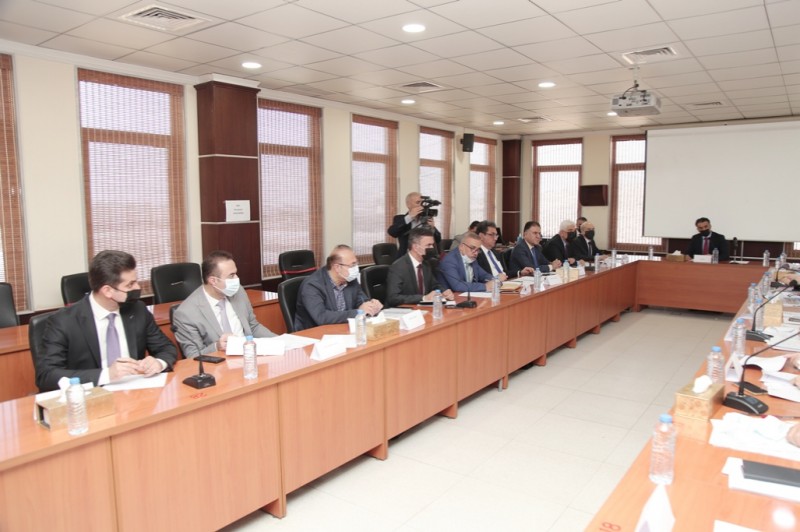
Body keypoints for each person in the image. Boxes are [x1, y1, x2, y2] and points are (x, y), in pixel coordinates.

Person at [36, 250, 177, 392]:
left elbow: (166, 348)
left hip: (135, 394)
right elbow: (47, 375)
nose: (137, 288)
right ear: (107, 291)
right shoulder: (64, 321)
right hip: (91, 396)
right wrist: (107, 375)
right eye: (130, 285)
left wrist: (159, 362)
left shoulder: (137, 310)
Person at [173, 250, 275, 358]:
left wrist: (279, 341)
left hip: (249, 356)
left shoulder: (238, 291)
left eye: (236, 273)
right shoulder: (186, 313)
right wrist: (216, 346)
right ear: (213, 281)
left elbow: (253, 327)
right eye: (231, 275)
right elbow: (193, 356)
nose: (237, 279)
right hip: (218, 364)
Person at [294, 245, 383, 331]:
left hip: (342, 330)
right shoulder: (312, 285)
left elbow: (361, 301)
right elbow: (321, 317)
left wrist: (372, 305)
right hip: (312, 334)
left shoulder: (350, 279)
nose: (356, 268)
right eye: (352, 265)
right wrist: (358, 312)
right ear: (337, 267)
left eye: (356, 263)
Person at [386, 226, 454, 307]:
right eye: (428, 245)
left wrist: (444, 291)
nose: (432, 248)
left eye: (432, 245)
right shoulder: (398, 267)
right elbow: (393, 298)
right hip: (404, 310)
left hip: (423, 308)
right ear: (415, 247)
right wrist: (423, 298)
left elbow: (434, 285)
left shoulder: (426, 264)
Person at [387, 192, 442, 258]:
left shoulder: (426, 219)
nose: (421, 205)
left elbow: (438, 239)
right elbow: (392, 232)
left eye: (422, 202)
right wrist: (409, 217)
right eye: (418, 202)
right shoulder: (400, 218)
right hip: (406, 257)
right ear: (408, 205)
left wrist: (433, 228)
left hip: (426, 257)